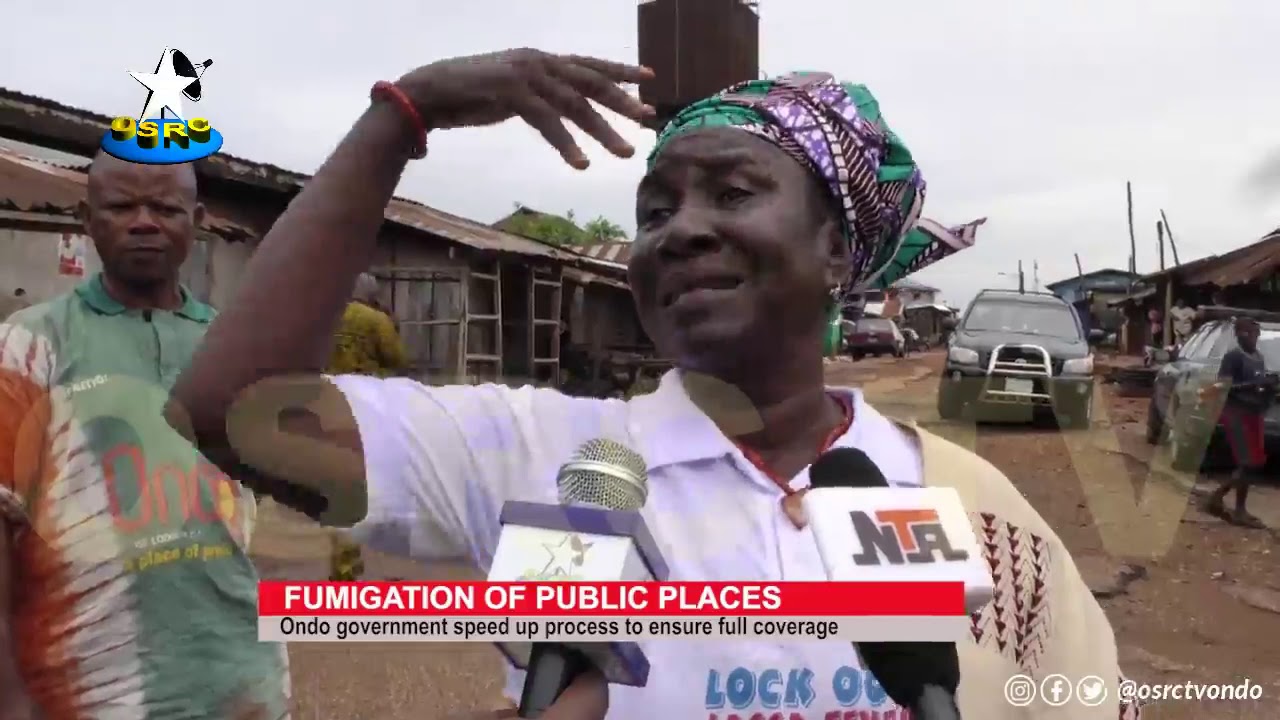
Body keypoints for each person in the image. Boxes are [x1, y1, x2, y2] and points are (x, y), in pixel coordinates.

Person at [171, 50, 1140, 719]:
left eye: (733, 192)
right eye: (654, 211)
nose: (680, 231)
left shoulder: (961, 504)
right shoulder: (547, 459)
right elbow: (232, 409)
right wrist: (402, 116)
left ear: (836, 253)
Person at [0, 152, 289, 719]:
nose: (143, 223)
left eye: (165, 208)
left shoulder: (234, 346)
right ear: (87, 219)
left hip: (242, 678)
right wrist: (9, 693)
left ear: (197, 222)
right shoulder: (30, 345)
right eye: (121, 207)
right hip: (87, 688)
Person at [326, 272, 407, 581]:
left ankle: (345, 565)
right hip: (366, 410)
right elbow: (398, 358)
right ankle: (349, 565)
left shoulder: (326, 316)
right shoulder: (376, 320)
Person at [1201, 317, 1275, 528]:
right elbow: (1222, 387)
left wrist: (1268, 387)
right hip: (1236, 413)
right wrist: (1252, 385)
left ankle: (1221, 500)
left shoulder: (1258, 357)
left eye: (1256, 334)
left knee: (1254, 462)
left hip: (1254, 413)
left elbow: (1260, 385)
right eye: (1250, 333)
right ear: (1239, 334)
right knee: (1248, 462)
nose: (1254, 338)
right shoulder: (1233, 357)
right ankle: (1233, 507)